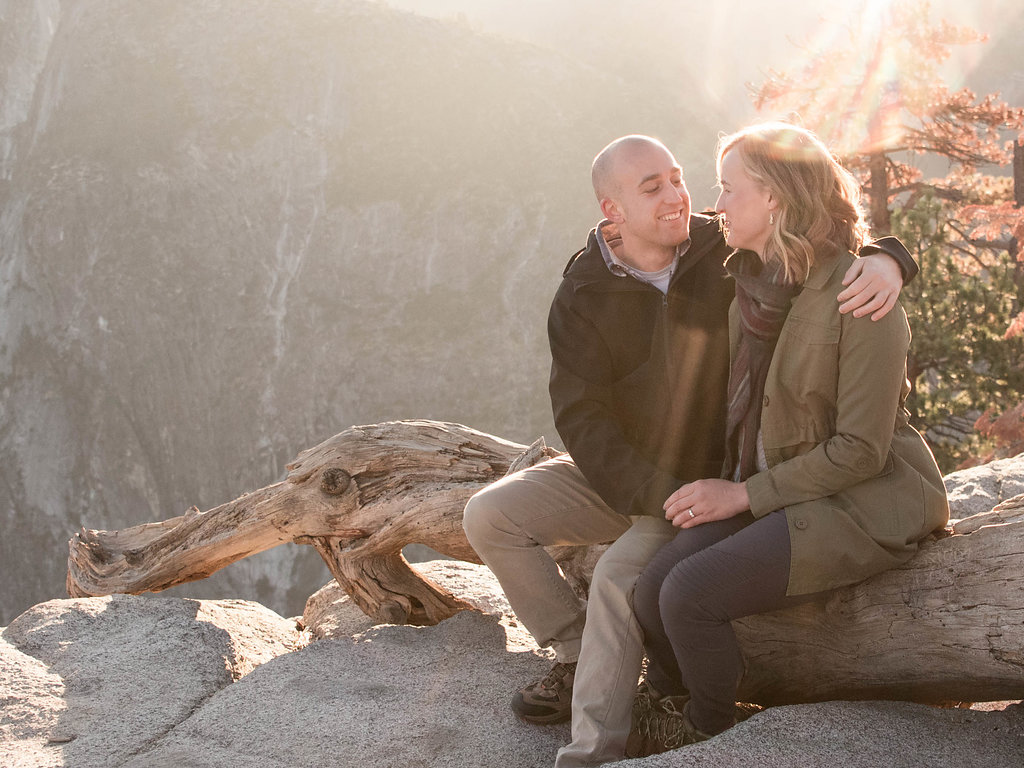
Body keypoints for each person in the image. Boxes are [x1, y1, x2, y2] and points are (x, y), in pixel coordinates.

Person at [461, 134, 916, 768]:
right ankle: (573, 656)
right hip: (633, 476)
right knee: (488, 515)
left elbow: (815, 229)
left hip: (709, 475)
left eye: (680, 179)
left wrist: (892, 258)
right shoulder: (584, 290)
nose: (682, 197)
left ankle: (593, 749)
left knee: (623, 581)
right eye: (655, 188)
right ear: (611, 211)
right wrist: (653, 495)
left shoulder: (720, 245)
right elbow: (581, 418)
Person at [629, 122, 949, 755]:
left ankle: (717, 736)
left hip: (860, 496)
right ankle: (665, 705)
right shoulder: (748, 279)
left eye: (727, 188)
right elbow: (637, 234)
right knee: (649, 588)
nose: (713, 204)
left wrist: (741, 496)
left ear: (773, 196)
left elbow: (862, 451)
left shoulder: (861, 297)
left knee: (690, 594)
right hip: (780, 483)